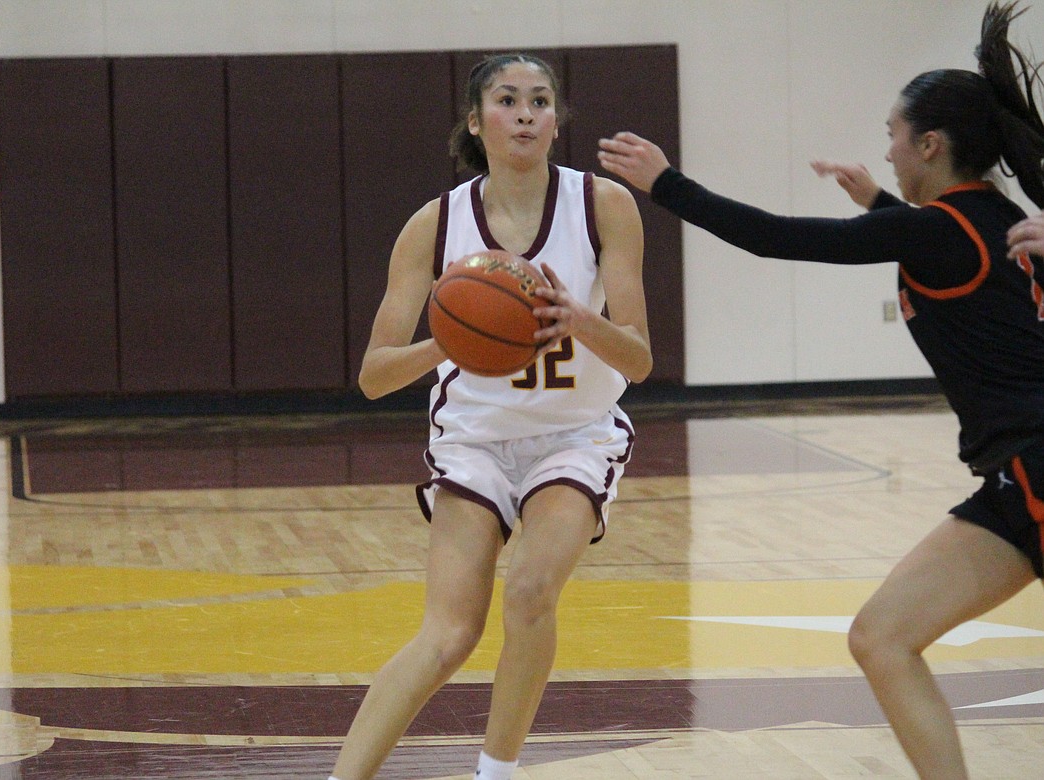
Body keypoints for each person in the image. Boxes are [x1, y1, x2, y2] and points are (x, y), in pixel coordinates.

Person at [597, 3, 1044, 779]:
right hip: (1016, 481)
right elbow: (942, 258)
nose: (890, 147)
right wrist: (879, 203)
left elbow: (778, 238)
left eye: (895, 135)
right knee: (882, 636)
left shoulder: (935, 230)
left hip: (1035, 468)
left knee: (883, 638)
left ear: (930, 145)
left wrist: (665, 184)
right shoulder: (988, 217)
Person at [328, 53, 651, 780]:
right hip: (475, 440)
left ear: (557, 119)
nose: (527, 113)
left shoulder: (604, 206)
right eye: (508, 100)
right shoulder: (434, 224)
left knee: (532, 590)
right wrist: (450, 341)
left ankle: (495, 775)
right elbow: (374, 377)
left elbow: (637, 359)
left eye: (541, 100)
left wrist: (577, 319)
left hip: (575, 435)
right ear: (477, 122)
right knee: (448, 635)